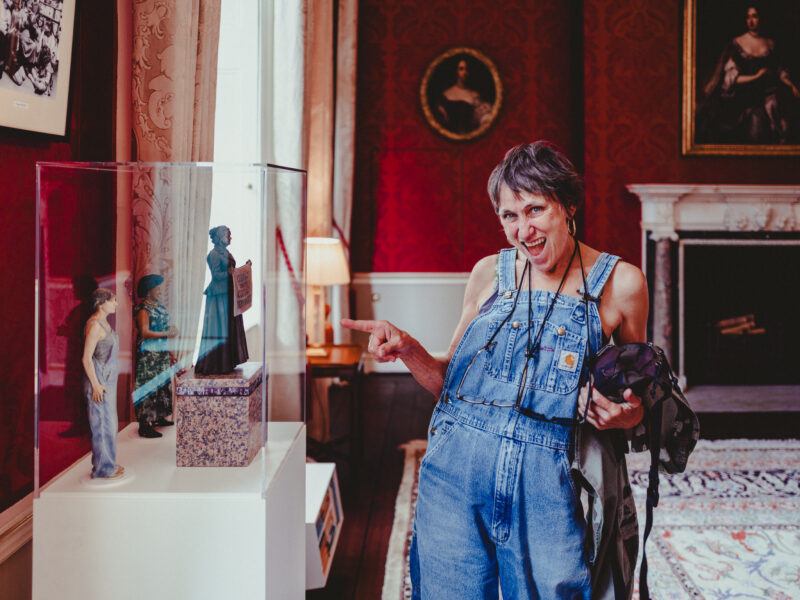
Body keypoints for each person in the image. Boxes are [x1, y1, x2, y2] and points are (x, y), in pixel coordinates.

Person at [343, 141, 650, 599]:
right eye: (510, 216)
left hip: (547, 487)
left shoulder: (621, 283)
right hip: (455, 475)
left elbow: (638, 399)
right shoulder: (488, 273)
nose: (524, 230)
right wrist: (409, 350)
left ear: (568, 205)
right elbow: (450, 385)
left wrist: (625, 415)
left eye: (535, 210)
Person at [697, 5, 800, 144]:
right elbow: (732, 80)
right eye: (748, 17)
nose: (751, 21)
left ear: (761, 18)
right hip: (744, 97)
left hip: (769, 96)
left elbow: (780, 71)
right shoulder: (737, 43)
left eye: (755, 16)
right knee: (755, 122)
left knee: (781, 114)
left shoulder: (771, 44)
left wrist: (792, 85)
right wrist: (757, 76)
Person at [81, 288, 124, 479]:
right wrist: (96, 385)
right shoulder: (95, 326)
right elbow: (86, 358)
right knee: (101, 425)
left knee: (109, 424)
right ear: (100, 303)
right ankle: (103, 469)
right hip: (99, 381)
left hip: (107, 380)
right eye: (112, 300)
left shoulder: (104, 323)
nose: (116, 304)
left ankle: (108, 463)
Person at [194, 225, 249, 375]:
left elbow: (231, 271)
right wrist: (230, 273)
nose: (230, 237)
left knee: (228, 327)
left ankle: (228, 361)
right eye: (227, 235)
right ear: (219, 237)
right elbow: (216, 275)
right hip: (219, 296)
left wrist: (244, 268)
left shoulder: (225, 252)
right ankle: (218, 364)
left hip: (228, 294)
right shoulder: (213, 254)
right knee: (221, 328)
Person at [133, 274, 178, 438]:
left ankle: (158, 416)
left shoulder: (159, 306)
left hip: (161, 351)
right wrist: (166, 333)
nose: (160, 290)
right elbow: (145, 332)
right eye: (157, 288)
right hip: (148, 355)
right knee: (149, 387)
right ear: (148, 290)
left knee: (162, 386)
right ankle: (145, 425)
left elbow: (162, 326)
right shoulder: (143, 309)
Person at [435, 56, 492, 134]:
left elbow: (482, 120)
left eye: (467, 69)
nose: (464, 72)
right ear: (456, 71)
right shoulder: (446, 95)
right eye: (461, 69)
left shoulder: (475, 95)